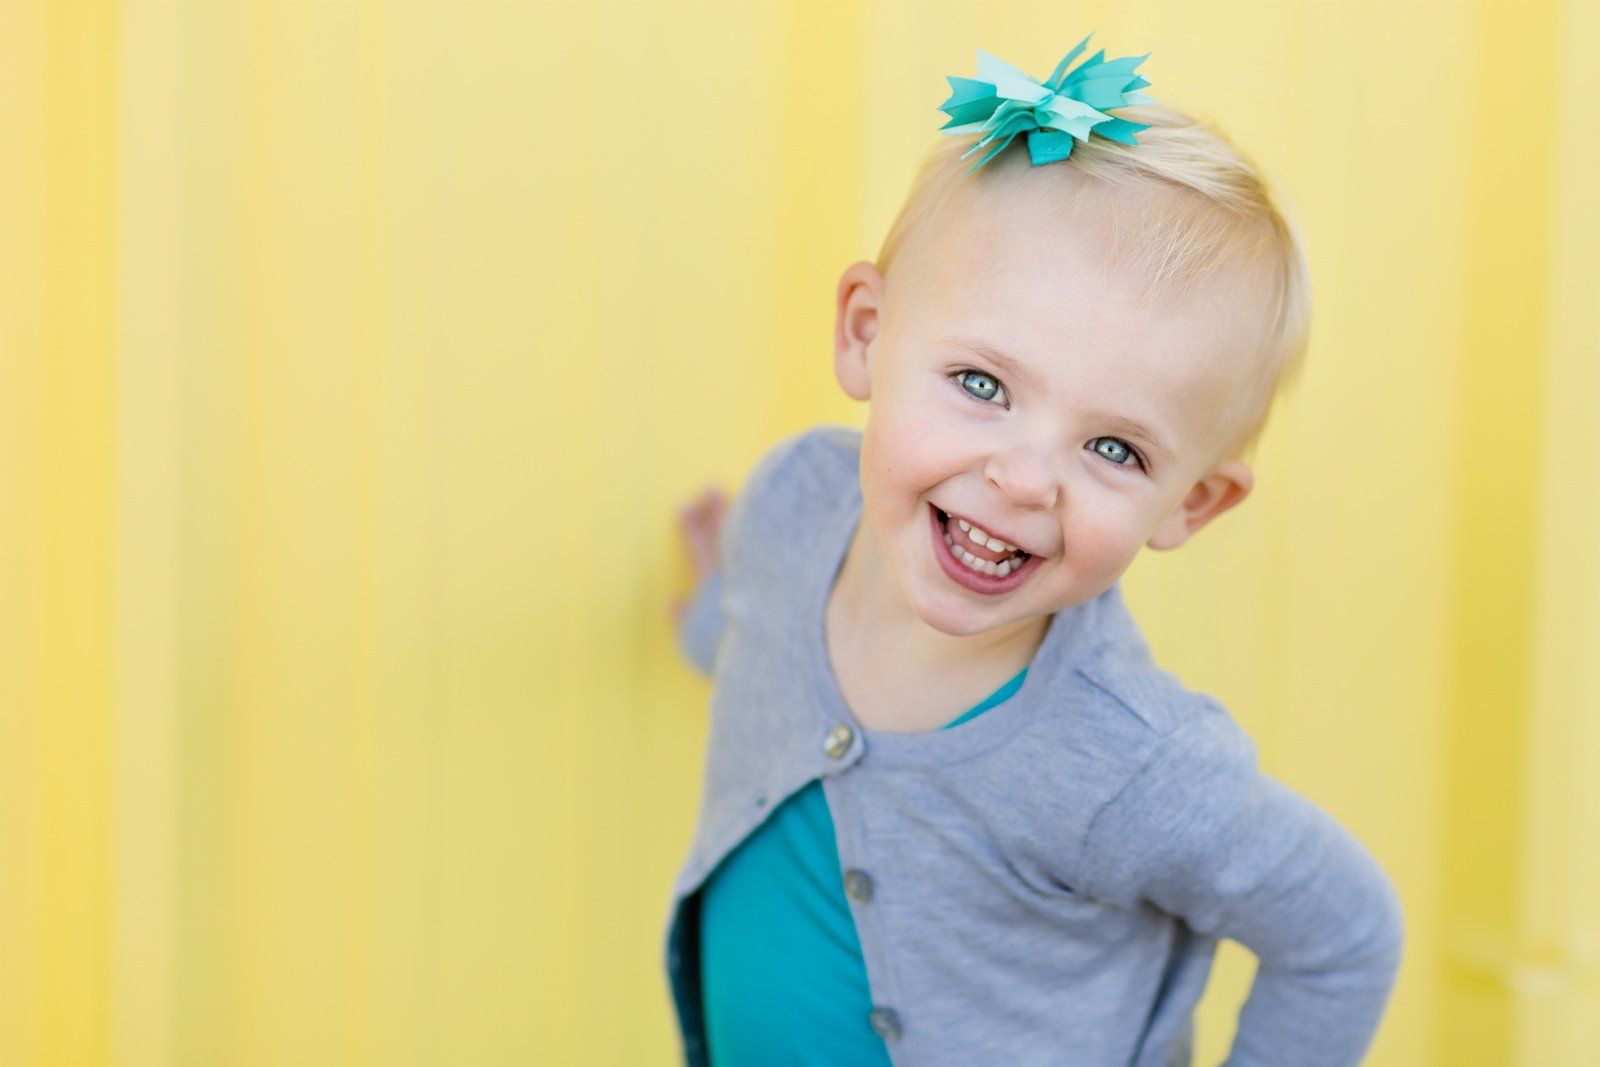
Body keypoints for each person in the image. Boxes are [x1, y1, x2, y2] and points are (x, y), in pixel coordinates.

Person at [664, 39, 1404, 1067]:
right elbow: (759, 623)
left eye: (1112, 447)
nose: (1022, 477)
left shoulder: (1129, 762)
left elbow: (1345, 931)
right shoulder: (790, 507)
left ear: (1190, 500)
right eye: (981, 383)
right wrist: (707, 609)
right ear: (867, 332)